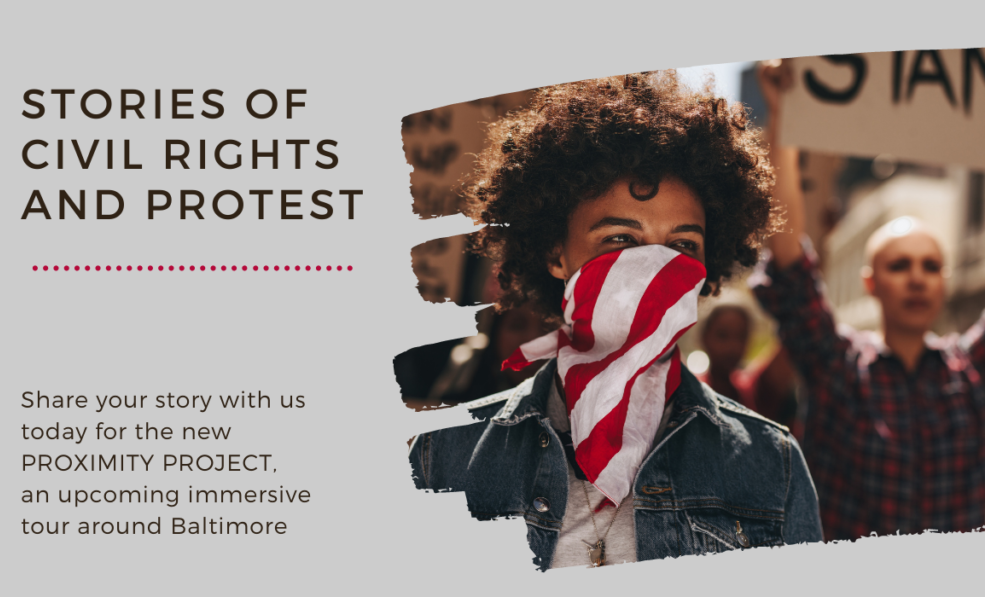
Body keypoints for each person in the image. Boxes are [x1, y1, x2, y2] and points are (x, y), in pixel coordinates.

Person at [407, 72, 822, 571]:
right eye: (621, 239)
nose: (654, 268)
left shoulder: (770, 465)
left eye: (682, 246)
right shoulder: (447, 451)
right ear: (556, 254)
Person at [751, 60, 985, 541]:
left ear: (944, 282)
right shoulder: (838, 366)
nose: (916, 279)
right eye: (899, 266)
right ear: (871, 282)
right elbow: (792, 264)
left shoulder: (972, 372)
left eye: (929, 266)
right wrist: (784, 119)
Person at [696, 303, 801, 436]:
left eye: (741, 336)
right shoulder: (689, 389)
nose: (732, 347)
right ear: (704, 337)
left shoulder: (753, 390)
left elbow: (795, 336)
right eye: (722, 335)